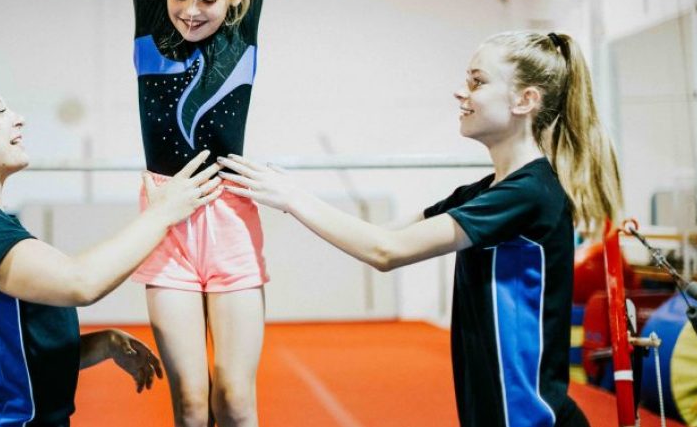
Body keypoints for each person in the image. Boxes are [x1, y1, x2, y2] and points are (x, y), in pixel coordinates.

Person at [221, 31, 622, 427]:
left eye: (478, 82)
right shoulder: (483, 193)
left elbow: (386, 251)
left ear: (525, 100)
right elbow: (378, 234)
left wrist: (292, 196)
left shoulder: (528, 194)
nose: (461, 92)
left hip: (531, 420)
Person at [0, 79, 223, 427]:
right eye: (0, 111)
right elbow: (81, 282)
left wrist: (100, 345)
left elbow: (15, 348)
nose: (18, 119)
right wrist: (162, 214)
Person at [125, 0, 274, 427]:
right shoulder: (152, 26)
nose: (190, 10)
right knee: (189, 402)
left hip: (230, 215)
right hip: (166, 217)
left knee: (233, 398)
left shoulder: (242, 33)